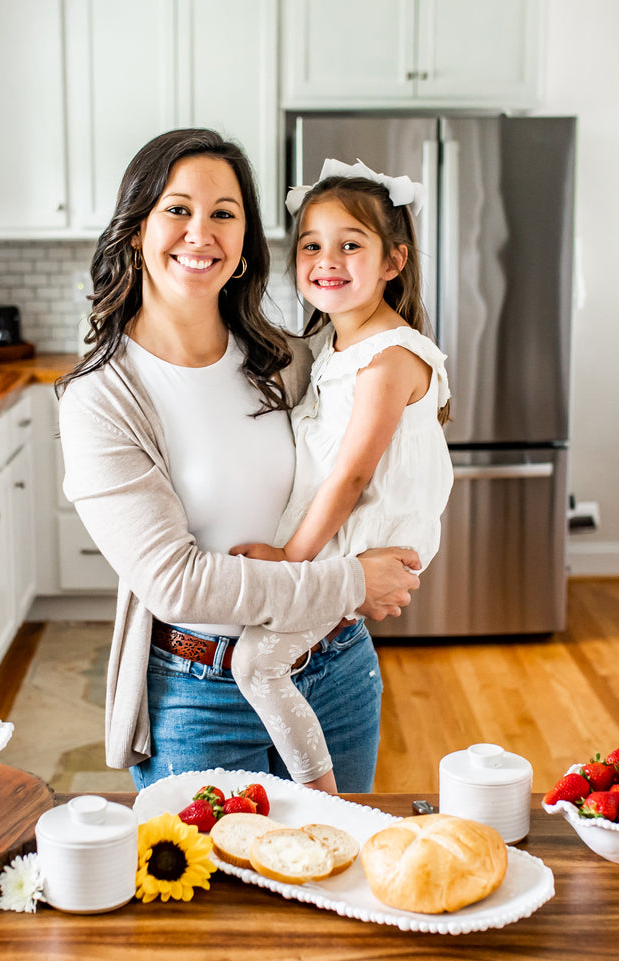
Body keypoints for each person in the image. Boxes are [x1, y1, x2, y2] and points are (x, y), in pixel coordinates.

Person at [55, 129, 422, 793]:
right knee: (217, 894)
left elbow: (378, 468)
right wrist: (350, 582)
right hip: (202, 698)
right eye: (177, 209)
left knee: (335, 876)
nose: (201, 233)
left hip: (335, 670)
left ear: (245, 245)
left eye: (224, 213)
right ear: (135, 229)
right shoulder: (101, 400)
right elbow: (177, 583)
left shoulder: (291, 363)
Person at [228, 158, 454, 793]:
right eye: (311, 245)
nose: (327, 259)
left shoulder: (388, 357)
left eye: (350, 245)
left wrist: (290, 560)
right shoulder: (333, 344)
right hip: (341, 542)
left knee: (255, 665)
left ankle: (323, 795)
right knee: (271, 658)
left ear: (393, 261)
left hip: (361, 541)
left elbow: (353, 475)